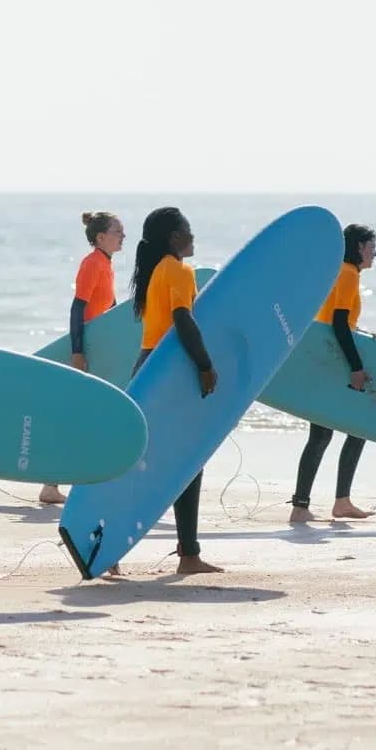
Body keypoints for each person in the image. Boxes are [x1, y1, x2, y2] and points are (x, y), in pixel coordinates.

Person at [130, 206, 223, 574]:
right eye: (188, 229)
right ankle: (189, 554)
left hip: (147, 364)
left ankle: (112, 545)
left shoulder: (158, 270)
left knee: (146, 459)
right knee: (188, 460)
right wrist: (205, 365)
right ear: (174, 238)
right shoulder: (179, 270)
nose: (193, 236)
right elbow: (183, 320)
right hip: (170, 370)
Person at [289, 224, 376, 523]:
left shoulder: (338, 273)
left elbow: (339, 323)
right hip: (334, 366)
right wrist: (356, 368)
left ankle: (304, 506)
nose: (375, 253)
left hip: (323, 361)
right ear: (359, 247)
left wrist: (367, 336)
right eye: (372, 247)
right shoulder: (347, 274)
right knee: (355, 429)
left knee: (322, 434)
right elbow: (339, 324)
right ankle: (333, 503)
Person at [38, 211, 126, 506]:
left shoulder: (106, 264)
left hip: (98, 351)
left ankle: (69, 482)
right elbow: (78, 309)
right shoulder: (92, 264)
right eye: (117, 232)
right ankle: (53, 484)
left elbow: (110, 311)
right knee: (78, 415)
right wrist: (77, 352)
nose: (122, 236)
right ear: (100, 237)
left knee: (91, 414)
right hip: (85, 353)